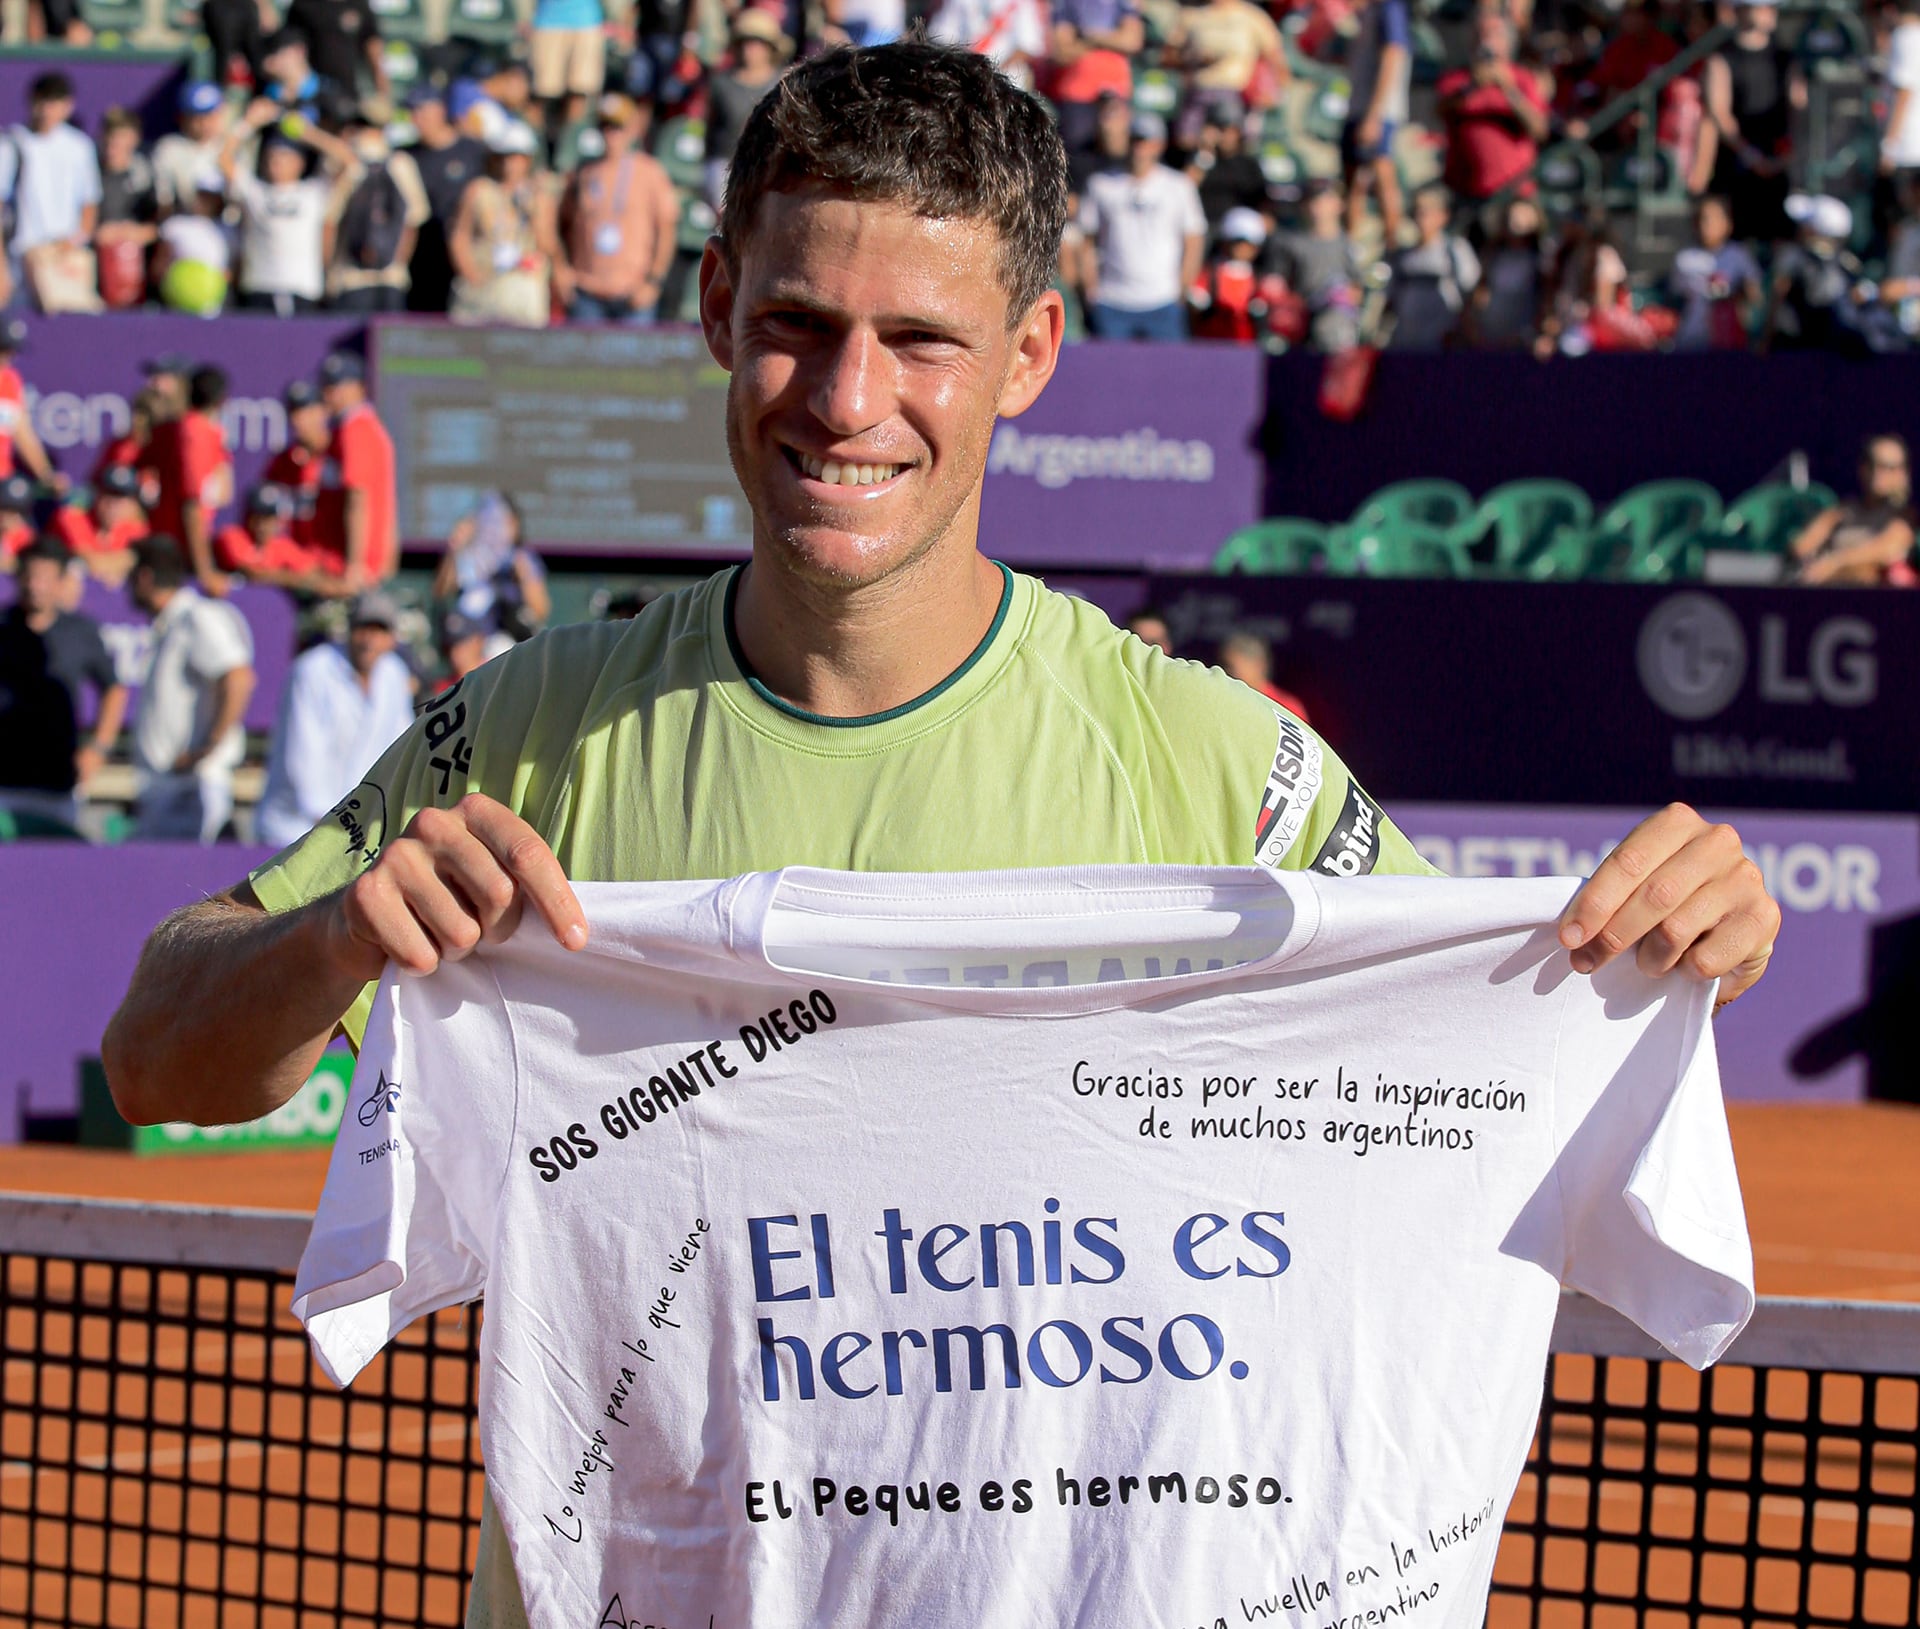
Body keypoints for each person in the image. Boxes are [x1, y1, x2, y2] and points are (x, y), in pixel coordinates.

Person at [100, 46, 1781, 1626]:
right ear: (710, 307)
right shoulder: (531, 726)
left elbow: (1485, 1072)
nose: (845, 399)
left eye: (922, 340)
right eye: (794, 321)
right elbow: (160, 1055)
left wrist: (1683, 938)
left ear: (1034, 353)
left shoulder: (1214, 760)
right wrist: (330, 937)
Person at [255, 590, 416, 849]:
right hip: (295, 828)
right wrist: (333, 826)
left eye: (379, 631)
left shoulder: (394, 674)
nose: (369, 640)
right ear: (349, 630)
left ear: (392, 639)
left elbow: (401, 745)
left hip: (357, 836)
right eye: (363, 629)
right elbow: (302, 751)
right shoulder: (311, 671)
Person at [124, 536, 255, 843]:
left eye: (130, 576)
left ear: (144, 577)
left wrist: (208, 747)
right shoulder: (172, 624)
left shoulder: (197, 616)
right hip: (168, 789)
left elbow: (238, 678)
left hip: (193, 789)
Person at [0, 538, 125, 833]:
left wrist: (98, 746)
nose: (35, 585)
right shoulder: (3, 627)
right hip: (4, 783)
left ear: (60, 582)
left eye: (44, 577)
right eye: (29, 575)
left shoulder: (80, 630)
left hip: (58, 786)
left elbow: (113, 688)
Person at [222, 100, 360, 318]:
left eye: (285, 156)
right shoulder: (256, 191)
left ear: (300, 163)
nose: (276, 162)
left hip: (301, 289)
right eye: (272, 156)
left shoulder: (313, 192)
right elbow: (225, 160)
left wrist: (307, 132)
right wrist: (249, 123)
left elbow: (349, 160)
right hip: (260, 286)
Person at [1077, 113, 1208, 339]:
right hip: (1112, 300)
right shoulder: (1102, 184)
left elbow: (1194, 239)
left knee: (1169, 372)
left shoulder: (1179, 187)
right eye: (1136, 140)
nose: (1141, 148)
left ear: (1159, 145)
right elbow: (1086, 239)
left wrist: (1183, 288)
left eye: (1147, 141)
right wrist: (1091, 288)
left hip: (1163, 300)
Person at [557, 94, 679, 323]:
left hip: (633, 292)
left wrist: (653, 282)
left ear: (632, 129)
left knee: (635, 359)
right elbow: (561, 224)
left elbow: (666, 230)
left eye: (617, 127)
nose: (610, 134)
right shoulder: (583, 173)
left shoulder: (651, 172)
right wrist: (563, 269)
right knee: (585, 359)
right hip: (587, 291)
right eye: (604, 126)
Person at [1694, 0, 1802, 244]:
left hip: (1778, 163)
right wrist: (1750, 154)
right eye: (1761, 7)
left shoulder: (1785, 57)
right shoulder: (1722, 58)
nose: (1768, 13)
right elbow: (1719, 113)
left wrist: (1784, 155)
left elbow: (1797, 107)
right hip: (1737, 165)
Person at [0, 72, 103, 314]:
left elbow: (89, 204)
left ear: (68, 106)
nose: (47, 111)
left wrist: (71, 243)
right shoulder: (10, 143)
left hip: (64, 261)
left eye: (55, 103)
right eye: (42, 102)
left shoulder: (80, 147)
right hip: (20, 261)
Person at [1435, 11, 1551, 207]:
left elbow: (1539, 129)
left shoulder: (1523, 79)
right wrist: (1472, 86)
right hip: (1466, 193)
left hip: (1514, 192)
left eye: (1493, 34)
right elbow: (1440, 110)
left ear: (1507, 42)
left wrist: (1508, 90)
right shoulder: (1456, 80)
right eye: (1480, 34)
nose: (1485, 41)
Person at [448, 122, 558, 327]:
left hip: (522, 284)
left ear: (528, 159)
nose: (510, 164)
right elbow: (459, 236)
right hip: (484, 282)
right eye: (505, 156)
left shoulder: (537, 195)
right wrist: (470, 273)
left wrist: (535, 209)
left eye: (517, 157)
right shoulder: (479, 190)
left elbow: (547, 244)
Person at [328, 103, 432, 313]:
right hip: (371, 277)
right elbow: (412, 224)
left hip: (360, 278)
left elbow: (329, 220)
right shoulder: (398, 163)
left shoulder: (393, 163)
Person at [315, 350, 399, 586]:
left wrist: (355, 565)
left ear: (359, 387)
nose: (330, 394)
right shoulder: (353, 427)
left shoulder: (356, 429)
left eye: (337, 386)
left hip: (358, 568)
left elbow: (358, 498)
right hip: (361, 563)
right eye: (327, 386)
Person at [403, 83, 488, 313]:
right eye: (412, 112)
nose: (416, 119)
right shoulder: (406, 157)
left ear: (440, 110)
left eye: (422, 111)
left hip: (467, 260)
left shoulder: (473, 152)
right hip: (422, 261)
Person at [1789, 434, 1917, 585]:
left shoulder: (1905, 516)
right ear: (1861, 467)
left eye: (1888, 467)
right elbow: (1801, 547)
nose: (1878, 472)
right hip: (1823, 593)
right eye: (1871, 463)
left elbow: (1887, 548)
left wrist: (1836, 563)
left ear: (1903, 473)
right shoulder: (1842, 511)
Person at [152, 366, 235, 594]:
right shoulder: (193, 432)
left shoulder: (206, 431)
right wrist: (205, 572)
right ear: (222, 401)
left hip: (182, 551)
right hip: (175, 555)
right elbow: (192, 506)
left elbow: (224, 493)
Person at [431, 490, 550, 649]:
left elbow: (541, 610)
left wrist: (523, 576)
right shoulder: (468, 556)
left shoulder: (523, 557)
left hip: (507, 644)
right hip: (470, 643)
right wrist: (455, 546)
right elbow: (441, 591)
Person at [704, 11, 791, 211]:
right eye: (745, 42)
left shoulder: (782, 83)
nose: (750, 49)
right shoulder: (721, 84)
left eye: (757, 43)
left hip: (768, 166)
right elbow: (709, 129)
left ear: (769, 48)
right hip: (725, 164)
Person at [1341, 0, 1411, 245]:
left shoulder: (1390, 7)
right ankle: (1350, 245)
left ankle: (1392, 243)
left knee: (1380, 170)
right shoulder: (1368, 11)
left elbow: (1394, 54)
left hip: (1377, 110)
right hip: (1360, 106)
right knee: (1354, 177)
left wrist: (1375, 113)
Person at [1169, 0, 1288, 139]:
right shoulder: (1192, 15)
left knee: (1227, 142)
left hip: (1234, 94)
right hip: (1196, 92)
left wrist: (1277, 92)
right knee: (1186, 140)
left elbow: (1275, 57)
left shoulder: (1252, 17)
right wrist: (1194, 58)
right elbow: (1169, 56)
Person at [1271, 178, 1364, 352]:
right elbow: (1280, 286)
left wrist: (1341, 296)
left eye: (1325, 199)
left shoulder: (1348, 245)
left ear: (1339, 204)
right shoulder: (1290, 243)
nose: (1318, 205)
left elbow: (1358, 288)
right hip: (1299, 319)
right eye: (1313, 200)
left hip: (1336, 324)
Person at [1386, 183, 1479, 351]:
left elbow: (1470, 292)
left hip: (1442, 342)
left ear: (1443, 216)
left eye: (1426, 212)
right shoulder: (1402, 256)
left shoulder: (1456, 249)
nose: (1421, 217)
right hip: (1406, 341)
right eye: (1417, 211)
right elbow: (1391, 298)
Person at [1047, 0, 1145, 154]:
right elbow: (1062, 52)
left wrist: (1091, 38)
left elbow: (1132, 41)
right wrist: (1111, 39)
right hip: (1076, 93)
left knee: (1116, 145)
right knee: (1076, 150)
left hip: (1116, 88)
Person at [1668, 193, 1761, 351]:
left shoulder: (1739, 256)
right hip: (1692, 340)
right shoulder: (1684, 259)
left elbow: (1755, 297)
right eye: (1704, 218)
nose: (1708, 224)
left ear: (1728, 223)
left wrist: (1736, 300)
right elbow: (1674, 301)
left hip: (1730, 340)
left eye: (1715, 218)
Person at [1188, 206, 1285, 342]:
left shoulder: (1257, 278)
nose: (1243, 249)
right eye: (1238, 243)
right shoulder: (1211, 273)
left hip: (1244, 344)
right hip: (1211, 341)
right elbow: (1196, 297)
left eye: (1249, 245)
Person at [95, 107, 160, 309]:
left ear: (134, 139)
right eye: (109, 135)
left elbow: (158, 224)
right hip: (98, 271)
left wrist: (135, 233)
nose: (113, 143)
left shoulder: (146, 174)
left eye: (120, 136)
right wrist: (98, 233)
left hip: (137, 273)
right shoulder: (90, 172)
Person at [49, 463, 149, 583]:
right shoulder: (72, 517)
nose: (113, 505)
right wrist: (130, 559)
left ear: (133, 504)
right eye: (108, 494)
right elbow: (93, 563)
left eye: (121, 497)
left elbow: (148, 559)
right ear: (96, 495)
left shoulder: (136, 529)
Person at [152, 170, 235, 315]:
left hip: (214, 305)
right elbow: (159, 265)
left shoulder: (229, 230)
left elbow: (235, 268)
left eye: (211, 197)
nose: (205, 201)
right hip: (176, 302)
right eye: (202, 195)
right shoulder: (176, 225)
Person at [278, 0, 390, 102]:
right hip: (311, 90)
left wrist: (381, 84)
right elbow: (290, 46)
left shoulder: (358, 4)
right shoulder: (303, 5)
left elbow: (371, 43)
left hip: (349, 90)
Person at [529, 0, 606, 141]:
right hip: (547, 22)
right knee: (540, 94)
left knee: (580, 92)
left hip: (587, 21)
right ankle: (537, 149)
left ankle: (568, 150)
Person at [0, 318, 61, 491]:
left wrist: (46, 475)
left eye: (11, 351)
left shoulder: (11, 381)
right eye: (3, 349)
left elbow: (23, 433)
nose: (8, 357)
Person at [153, 82, 230, 217]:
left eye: (210, 116)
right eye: (198, 118)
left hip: (229, 228)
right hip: (185, 223)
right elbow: (164, 204)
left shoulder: (231, 146)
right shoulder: (169, 148)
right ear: (184, 118)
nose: (205, 124)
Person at [1219, 627, 1308, 721]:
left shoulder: (1287, 708)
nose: (1226, 673)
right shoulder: (1222, 700)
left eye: (1231, 668)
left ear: (1258, 665)